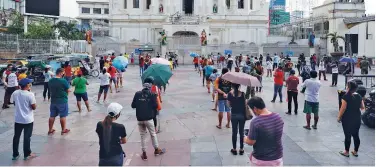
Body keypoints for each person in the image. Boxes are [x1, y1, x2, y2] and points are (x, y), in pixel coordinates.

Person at [131, 78, 166, 160]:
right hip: (149, 118)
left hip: (140, 119)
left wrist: (141, 103)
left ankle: (144, 153)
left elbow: (133, 105)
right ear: (150, 86)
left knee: (142, 135)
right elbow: (155, 106)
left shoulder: (137, 94)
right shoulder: (153, 94)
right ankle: (156, 149)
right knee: (153, 134)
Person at [244, 97, 284, 166]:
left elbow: (250, 142)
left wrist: (243, 137)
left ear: (255, 109)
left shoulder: (256, 122)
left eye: (251, 110)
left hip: (261, 160)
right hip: (277, 158)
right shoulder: (278, 117)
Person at [11, 78, 37, 160]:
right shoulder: (30, 94)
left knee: (16, 137)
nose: (30, 85)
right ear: (27, 85)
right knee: (27, 137)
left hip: (18, 119)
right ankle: (27, 154)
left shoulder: (15, 93)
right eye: (29, 84)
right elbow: (34, 107)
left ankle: (15, 154)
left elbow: (14, 103)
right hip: (28, 120)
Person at [337, 80, 365, 157]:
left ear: (348, 87)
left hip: (347, 119)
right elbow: (362, 107)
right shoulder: (359, 96)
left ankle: (346, 152)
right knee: (356, 135)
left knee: (347, 135)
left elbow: (343, 108)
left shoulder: (346, 96)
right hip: (357, 118)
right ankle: (355, 151)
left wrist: (339, 117)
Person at [48, 68, 70, 135]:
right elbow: (68, 90)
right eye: (63, 72)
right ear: (60, 73)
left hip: (53, 101)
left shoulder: (51, 80)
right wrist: (66, 95)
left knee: (52, 115)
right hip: (62, 100)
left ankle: (50, 130)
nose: (64, 74)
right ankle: (63, 130)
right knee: (63, 115)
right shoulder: (63, 81)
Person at [227, 83, 246, 155]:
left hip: (234, 115)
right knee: (241, 132)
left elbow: (228, 105)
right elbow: (245, 104)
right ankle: (241, 149)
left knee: (234, 132)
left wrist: (233, 104)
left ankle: (234, 149)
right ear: (239, 86)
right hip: (242, 115)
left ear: (232, 86)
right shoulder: (243, 94)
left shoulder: (230, 94)